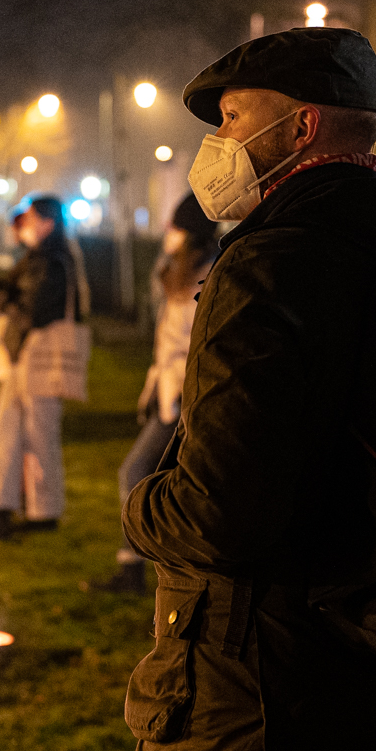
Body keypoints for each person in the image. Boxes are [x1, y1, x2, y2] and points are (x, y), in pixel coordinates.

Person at [122, 27, 376, 751]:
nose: (216, 142)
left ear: (299, 128)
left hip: (270, 712)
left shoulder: (270, 265)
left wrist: (140, 505)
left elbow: (219, 514)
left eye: (230, 118)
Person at [102, 194, 217, 595]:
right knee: (154, 476)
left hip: (189, 397)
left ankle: (137, 565)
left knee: (136, 472)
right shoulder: (178, 273)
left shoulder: (210, 276)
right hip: (170, 393)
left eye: (175, 228)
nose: (168, 235)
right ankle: (150, 567)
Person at [0, 193, 85, 540]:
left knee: (37, 436)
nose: (23, 225)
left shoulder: (52, 261)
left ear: (47, 223)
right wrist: (7, 298)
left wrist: (7, 304)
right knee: (10, 434)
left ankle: (37, 512)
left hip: (38, 358)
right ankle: (9, 508)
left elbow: (32, 310)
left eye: (30, 219)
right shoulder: (39, 258)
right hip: (24, 359)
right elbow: (5, 291)